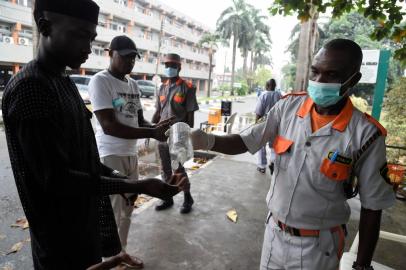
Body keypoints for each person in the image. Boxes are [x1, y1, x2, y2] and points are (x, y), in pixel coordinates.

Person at [1, 1, 188, 269]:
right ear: (44, 27)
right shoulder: (31, 87)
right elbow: (57, 179)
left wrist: (117, 178)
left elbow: (81, 156)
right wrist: (134, 185)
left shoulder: (61, 80)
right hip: (59, 237)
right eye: (80, 35)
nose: (88, 48)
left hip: (81, 222)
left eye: (91, 38)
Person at [191, 39, 396, 270]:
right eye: (316, 72)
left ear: (353, 80)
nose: (319, 81)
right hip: (273, 233)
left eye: (331, 74)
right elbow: (246, 140)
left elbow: (372, 205)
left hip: (319, 247)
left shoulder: (366, 134)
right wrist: (206, 140)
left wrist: (362, 266)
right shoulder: (287, 107)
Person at [88, 35, 173, 268]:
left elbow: (138, 121)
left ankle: (121, 254)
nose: (130, 62)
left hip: (130, 155)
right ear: (110, 54)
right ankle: (108, 260)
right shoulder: (100, 81)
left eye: (133, 58)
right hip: (110, 155)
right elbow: (109, 125)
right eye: (125, 57)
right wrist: (150, 134)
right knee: (113, 213)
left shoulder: (133, 84)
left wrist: (157, 128)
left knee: (127, 208)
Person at [152, 53, 199, 214]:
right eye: (166, 65)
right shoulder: (162, 87)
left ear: (179, 67)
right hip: (161, 136)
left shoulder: (188, 88)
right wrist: (150, 130)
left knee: (178, 169)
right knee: (165, 169)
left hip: (178, 136)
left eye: (172, 65)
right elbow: (158, 112)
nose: (169, 68)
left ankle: (187, 198)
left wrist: (180, 134)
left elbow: (191, 120)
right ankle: (167, 198)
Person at [255, 79, 281, 174]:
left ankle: (262, 166)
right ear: (274, 86)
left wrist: (256, 125)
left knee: (261, 145)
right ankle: (273, 162)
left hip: (264, 124)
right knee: (274, 145)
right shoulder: (280, 95)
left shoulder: (264, 95)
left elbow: (258, 112)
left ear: (267, 85)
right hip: (277, 125)